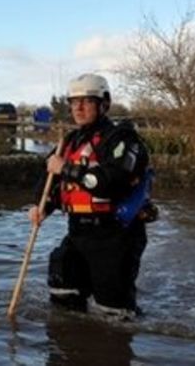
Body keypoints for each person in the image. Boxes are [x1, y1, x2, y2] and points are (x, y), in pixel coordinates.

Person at [28, 73, 153, 320]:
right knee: (62, 288)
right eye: (74, 102)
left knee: (114, 311)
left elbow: (110, 182)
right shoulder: (70, 142)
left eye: (87, 101)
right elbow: (49, 185)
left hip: (116, 234)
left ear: (103, 104)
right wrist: (41, 207)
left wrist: (66, 168)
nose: (79, 108)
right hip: (78, 232)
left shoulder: (122, 139)